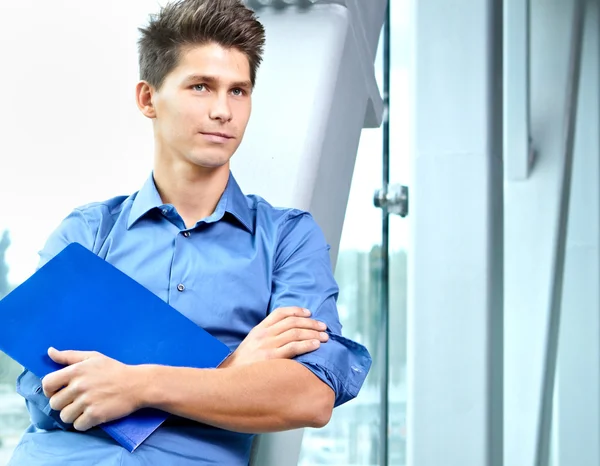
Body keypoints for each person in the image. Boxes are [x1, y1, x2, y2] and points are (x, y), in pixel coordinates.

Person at [8, 0, 371, 465]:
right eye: (201, 86)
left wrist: (137, 384)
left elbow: (309, 398)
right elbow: (46, 388)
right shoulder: (88, 232)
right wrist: (230, 369)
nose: (223, 110)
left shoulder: (286, 239)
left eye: (238, 91)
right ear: (147, 99)